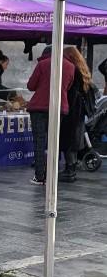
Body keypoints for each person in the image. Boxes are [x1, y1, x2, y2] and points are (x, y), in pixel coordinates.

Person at [27, 45, 75, 185]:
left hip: (39, 108)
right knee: (54, 142)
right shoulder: (70, 66)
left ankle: (39, 176)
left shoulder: (43, 64)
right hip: (59, 108)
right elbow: (68, 86)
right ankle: (53, 174)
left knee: (39, 142)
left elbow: (31, 86)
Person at [59, 47, 93, 182]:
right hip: (79, 112)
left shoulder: (72, 69)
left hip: (71, 110)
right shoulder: (83, 70)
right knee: (73, 141)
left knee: (68, 140)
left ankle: (69, 170)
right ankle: (70, 169)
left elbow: (70, 92)